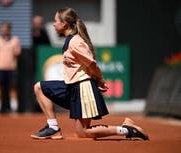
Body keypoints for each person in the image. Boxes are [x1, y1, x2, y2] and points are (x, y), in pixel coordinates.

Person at [31, 7, 149, 140]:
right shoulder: (70, 40)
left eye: (56, 20)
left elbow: (92, 64)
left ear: (64, 24)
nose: (53, 23)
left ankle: (127, 130)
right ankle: (53, 128)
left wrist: (100, 79)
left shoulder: (75, 42)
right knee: (39, 87)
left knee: (83, 133)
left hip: (83, 88)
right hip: (72, 87)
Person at [0, 21, 21, 113]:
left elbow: (17, 53)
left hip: (11, 68)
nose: (4, 30)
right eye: (3, 28)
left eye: (6, 28)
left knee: (12, 87)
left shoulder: (15, 40)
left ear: (9, 29)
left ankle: (14, 109)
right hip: (0, 68)